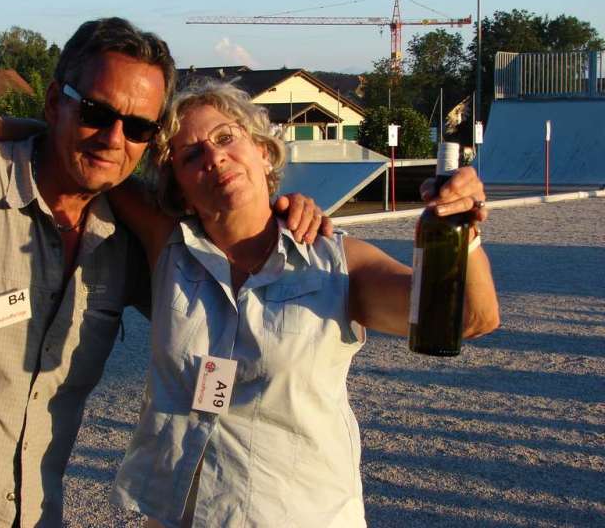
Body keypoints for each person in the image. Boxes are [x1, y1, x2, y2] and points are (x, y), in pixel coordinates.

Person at [0, 18, 326, 527]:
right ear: (55, 102)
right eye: (97, 113)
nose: (114, 138)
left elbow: (229, 296)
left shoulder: (125, 235)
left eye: (140, 127)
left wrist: (280, 219)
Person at [98, 80, 500, 527]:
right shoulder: (167, 247)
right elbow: (84, 155)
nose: (214, 157)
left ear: (263, 151)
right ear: (177, 190)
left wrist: (465, 231)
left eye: (226, 138)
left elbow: (471, 318)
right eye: (191, 156)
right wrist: (3, 126)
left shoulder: (333, 261)